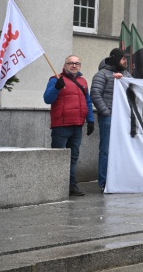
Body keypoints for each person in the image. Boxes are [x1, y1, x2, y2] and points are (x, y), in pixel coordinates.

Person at [43, 55, 95, 197]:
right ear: (65, 65)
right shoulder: (55, 79)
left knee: (73, 157)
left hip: (77, 125)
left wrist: (90, 120)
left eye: (77, 63)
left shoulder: (83, 81)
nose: (74, 65)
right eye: (70, 63)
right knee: (58, 157)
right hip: (61, 125)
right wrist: (56, 88)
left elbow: (88, 101)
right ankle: (55, 186)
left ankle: (72, 185)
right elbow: (47, 99)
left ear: (80, 66)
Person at [91, 48, 133, 192]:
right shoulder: (101, 74)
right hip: (109, 118)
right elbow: (95, 94)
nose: (126, 61)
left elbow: (134, 90)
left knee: (123, 150)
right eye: (123, 58)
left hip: (124, 119)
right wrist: (107, 113)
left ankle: (120, 180)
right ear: (116, 58)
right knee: (106, 151)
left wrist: (124, 80)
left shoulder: (126, 75)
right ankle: (104, 182)